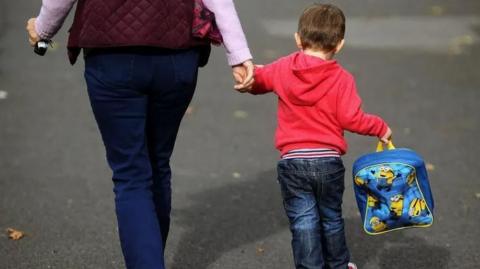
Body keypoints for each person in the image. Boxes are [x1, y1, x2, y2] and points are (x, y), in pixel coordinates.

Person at [26, 0, 253, 268]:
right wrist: (238, 53)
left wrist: (43, 28)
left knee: (131, 173)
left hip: (111, 55)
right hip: (177, 54)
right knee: (157, 163)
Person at [236, 4, 392, 269]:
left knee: (303, 221)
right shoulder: (342, 78)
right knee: (331, 218)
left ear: (298, 38)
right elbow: (351, 118)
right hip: (328, 162)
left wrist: (247, 77)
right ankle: (339, 265)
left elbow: (259, 80)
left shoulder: (284, 67)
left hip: (293, 162)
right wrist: (380, 127)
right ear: (340, 44)